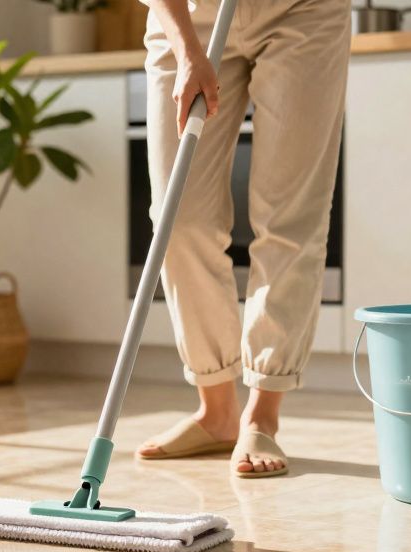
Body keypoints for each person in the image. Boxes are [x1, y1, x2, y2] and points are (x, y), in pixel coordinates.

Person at [133, 0, 349, 478]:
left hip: (302, 10)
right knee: (178, 217)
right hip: (190, 14)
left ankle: (261, 413)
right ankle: (217, 413)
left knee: (289, 216)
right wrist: (188, 49)